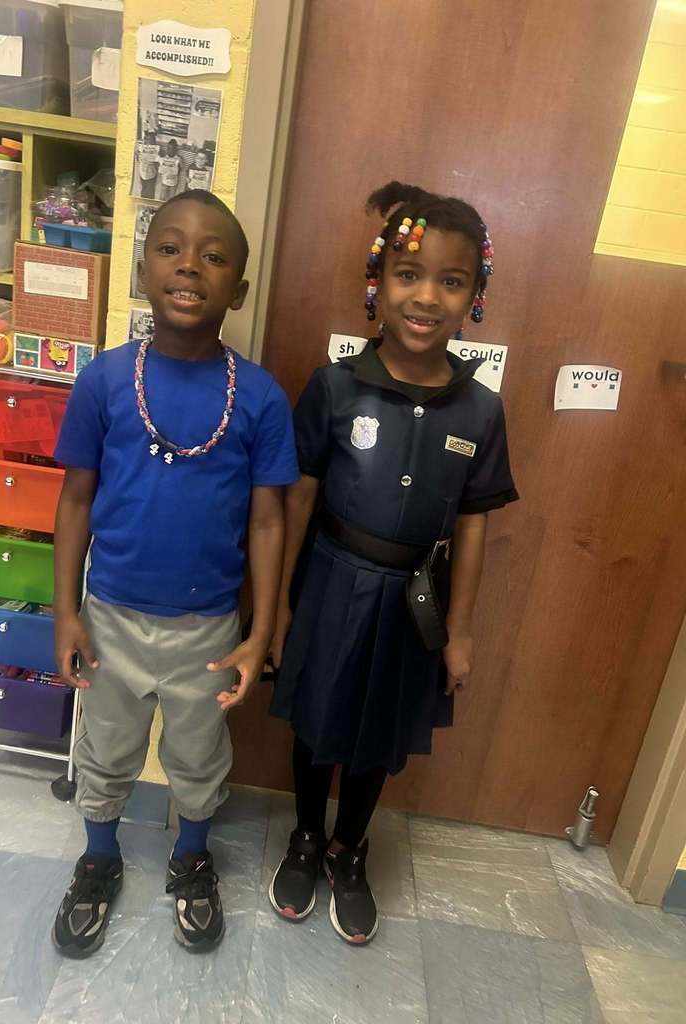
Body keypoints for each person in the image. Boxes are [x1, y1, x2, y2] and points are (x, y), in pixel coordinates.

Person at [267, 181, 518, 945]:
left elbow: (473, 526)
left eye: (452, 280)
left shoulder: (480, 410)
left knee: (378, 731)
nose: (427, 297)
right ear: (378, 283)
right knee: (318, 720)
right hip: (331, 580)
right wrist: (278, 606)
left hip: (417, 601)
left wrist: (463, 632)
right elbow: (298, 503)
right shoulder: (335, 387)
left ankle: (350, 848)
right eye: (409, 275)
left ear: (476, 294)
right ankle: (308, 835)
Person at [50, 190, 299, 958]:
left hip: (209, 628)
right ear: (143, 266)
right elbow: (76, 497)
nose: (190, 264)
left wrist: (260, 633)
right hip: (113, 615)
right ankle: (99, 858)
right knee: (105, 749)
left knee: (198, 756)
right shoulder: (103, 380)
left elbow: (267, 520)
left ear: (240, 290)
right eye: (171, 248)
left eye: (215, 255)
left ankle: (191, 858)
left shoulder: (257, 398)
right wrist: (65, 612)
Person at [134, 130, 160, 199]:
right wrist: (138, 154)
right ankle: (142, 203)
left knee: (150, 191)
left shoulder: (156, 149)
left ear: (154, 140)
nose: (149, 141)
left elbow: (158, 163)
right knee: (143, 189)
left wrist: (155, 158)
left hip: (151, 173)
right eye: (147, 139)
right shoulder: (141, 148)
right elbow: (138, 160)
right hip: (142, 172)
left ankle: (150, 205)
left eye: (151, 139)